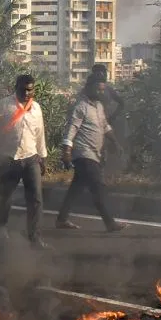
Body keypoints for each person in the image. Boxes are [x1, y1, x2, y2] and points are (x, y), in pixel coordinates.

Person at [0, 74, 48, 248]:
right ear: (15, 87)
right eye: (23, 89)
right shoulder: (4, 104)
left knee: (36, 199)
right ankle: (1, 229)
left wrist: (43, 157)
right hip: (9, 158)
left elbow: (40, 134)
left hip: (31, 158)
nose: (26, 93)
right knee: (5, 196)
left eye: (30, 90)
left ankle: (35, 236)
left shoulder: (37, 108)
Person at [55, 71, 126, 233]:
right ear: (89, 88)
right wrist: (66, 151)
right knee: (98, 187)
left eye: (103, 89)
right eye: (98, 89)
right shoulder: (81, 107)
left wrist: (115, 142)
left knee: (76, 187)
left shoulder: (99, 106)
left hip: (94, 154)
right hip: (83, 154)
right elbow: (71, 129)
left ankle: (61, 219)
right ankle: (110, 223)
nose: (101, 92)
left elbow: (105, 126)